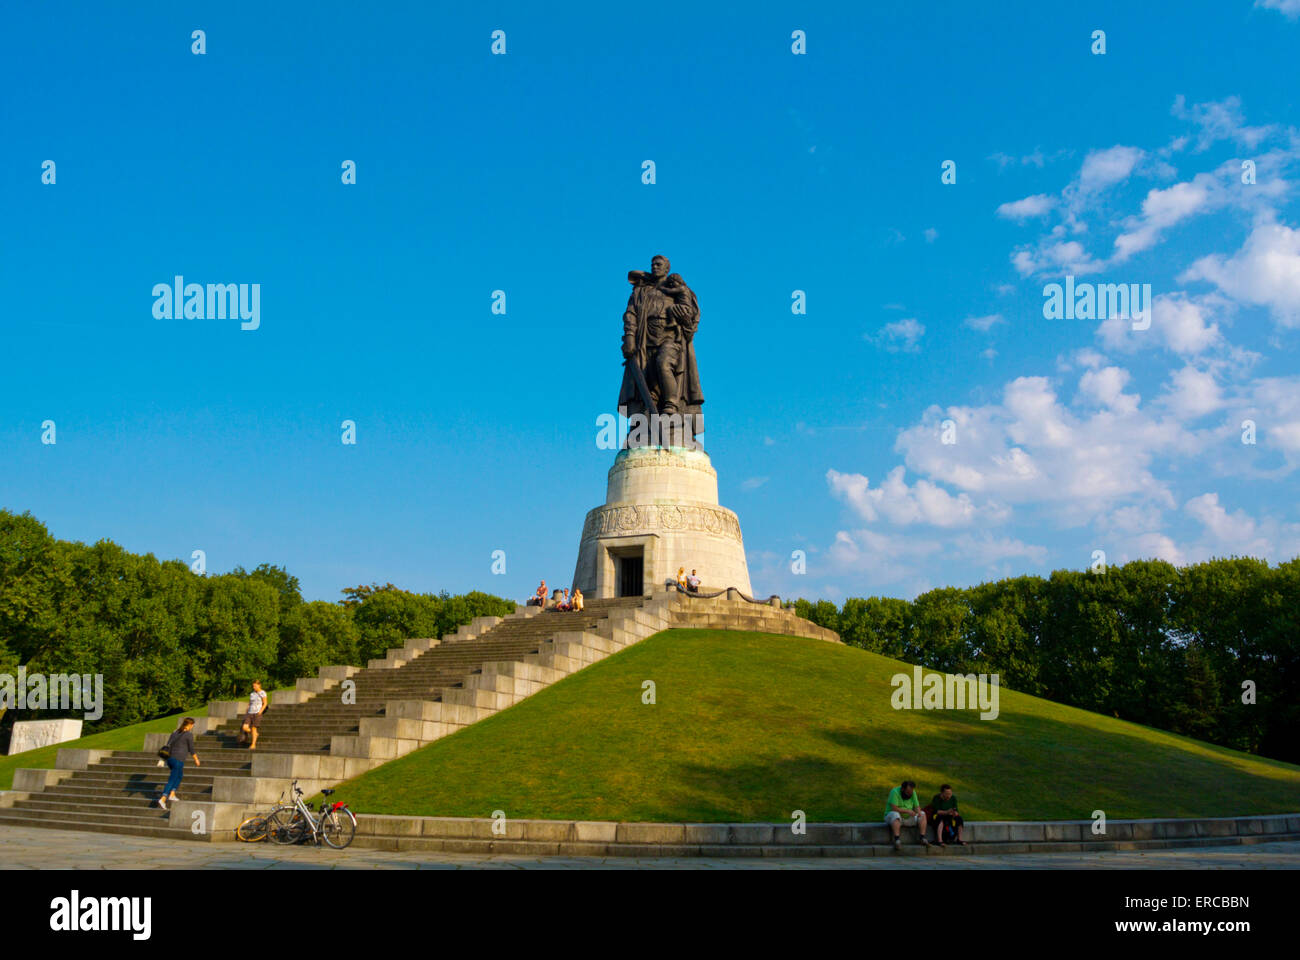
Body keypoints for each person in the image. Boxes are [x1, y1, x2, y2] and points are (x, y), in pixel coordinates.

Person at [157, 717, 200, 810]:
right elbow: (191, 749)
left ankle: (172, 794)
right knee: (172, 779)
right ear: (189, 725)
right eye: (192, 725)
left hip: (170, 759)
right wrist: (196, 759)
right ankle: (163, 798)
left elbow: (168, 744)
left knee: (179, 775)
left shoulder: (175, 732)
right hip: (178, 759)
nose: (192, 727)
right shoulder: (188, 735)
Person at [884, 779, 930, 850]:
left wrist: (918, 812)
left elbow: (917, 806)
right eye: (908, 792)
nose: (910, 794)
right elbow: (894, 808)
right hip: (894, 817)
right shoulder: (894, 792)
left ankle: (922, 837)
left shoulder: (913, 792)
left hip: (908, 817)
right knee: (895, 814)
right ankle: (897, 840)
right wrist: (908, 811)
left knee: (923, 814)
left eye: (911, 792)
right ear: (902, 789)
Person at [238, 679, 267, 750]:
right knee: (245, 727)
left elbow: (265, 703)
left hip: (257, 712)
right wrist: (247, 710)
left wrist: (260, 711)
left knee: (254, 728)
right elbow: (250, 703)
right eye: (253, 686)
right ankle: (255, 734)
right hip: (250, 712)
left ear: (259, 685)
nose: (254, 687)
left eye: (255, 686)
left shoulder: (262, 693)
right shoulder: (252, 694)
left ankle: (253, 744)